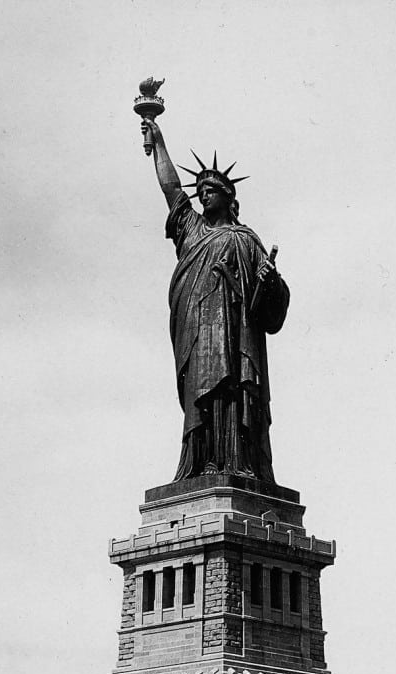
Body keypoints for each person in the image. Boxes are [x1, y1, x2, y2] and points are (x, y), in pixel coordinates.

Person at [142, 119, 289, 482]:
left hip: (237, 338)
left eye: (211, 189)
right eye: (201, 190)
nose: (203, 194)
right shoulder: (191, 230)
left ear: (228, 196)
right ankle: (200, 464)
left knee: (233, 396)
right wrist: (158, 139)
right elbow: (170, 187)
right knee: (201, 400)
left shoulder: (246, 240)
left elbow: (272, 303)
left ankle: (238, 463)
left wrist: (270, 284)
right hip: (197, 334)